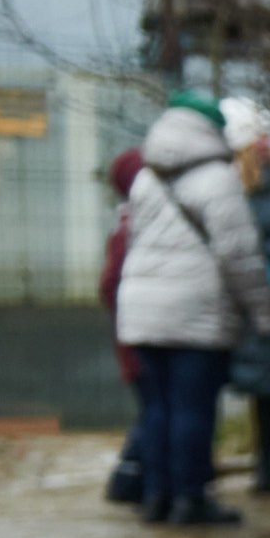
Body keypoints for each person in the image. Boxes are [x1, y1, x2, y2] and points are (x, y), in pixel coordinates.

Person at [113, 91, 270, 526]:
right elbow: (239, 255)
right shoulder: (218, 178)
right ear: (209, 131)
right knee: (193, 409)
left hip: (141, 310)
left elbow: (133, 242)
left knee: (157, 409)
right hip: (194, 312)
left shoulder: (146, 178)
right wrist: (262, 313)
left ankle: (156, 498)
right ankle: (190, 500)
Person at [224, 98, 270, 496]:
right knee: (263, 386)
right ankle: (263, 462)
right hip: (250, 299)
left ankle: (269, 461)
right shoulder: (234, 185)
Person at [95, 147, 149, 506]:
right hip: (140, 338)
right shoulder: (131, 227)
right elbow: (109, 285)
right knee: (154, 412)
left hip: (135, 334)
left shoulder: (128, 223)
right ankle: (131, 483)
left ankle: (139, 484)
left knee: (153, 411)